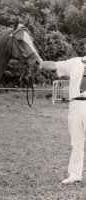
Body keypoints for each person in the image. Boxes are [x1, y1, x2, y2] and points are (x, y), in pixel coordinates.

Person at [41, 38, 86, 184]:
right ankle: (75, 175)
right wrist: (38, 63)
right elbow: (54, 65)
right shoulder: (75, 62)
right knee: (76, 142)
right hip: (75, 105)